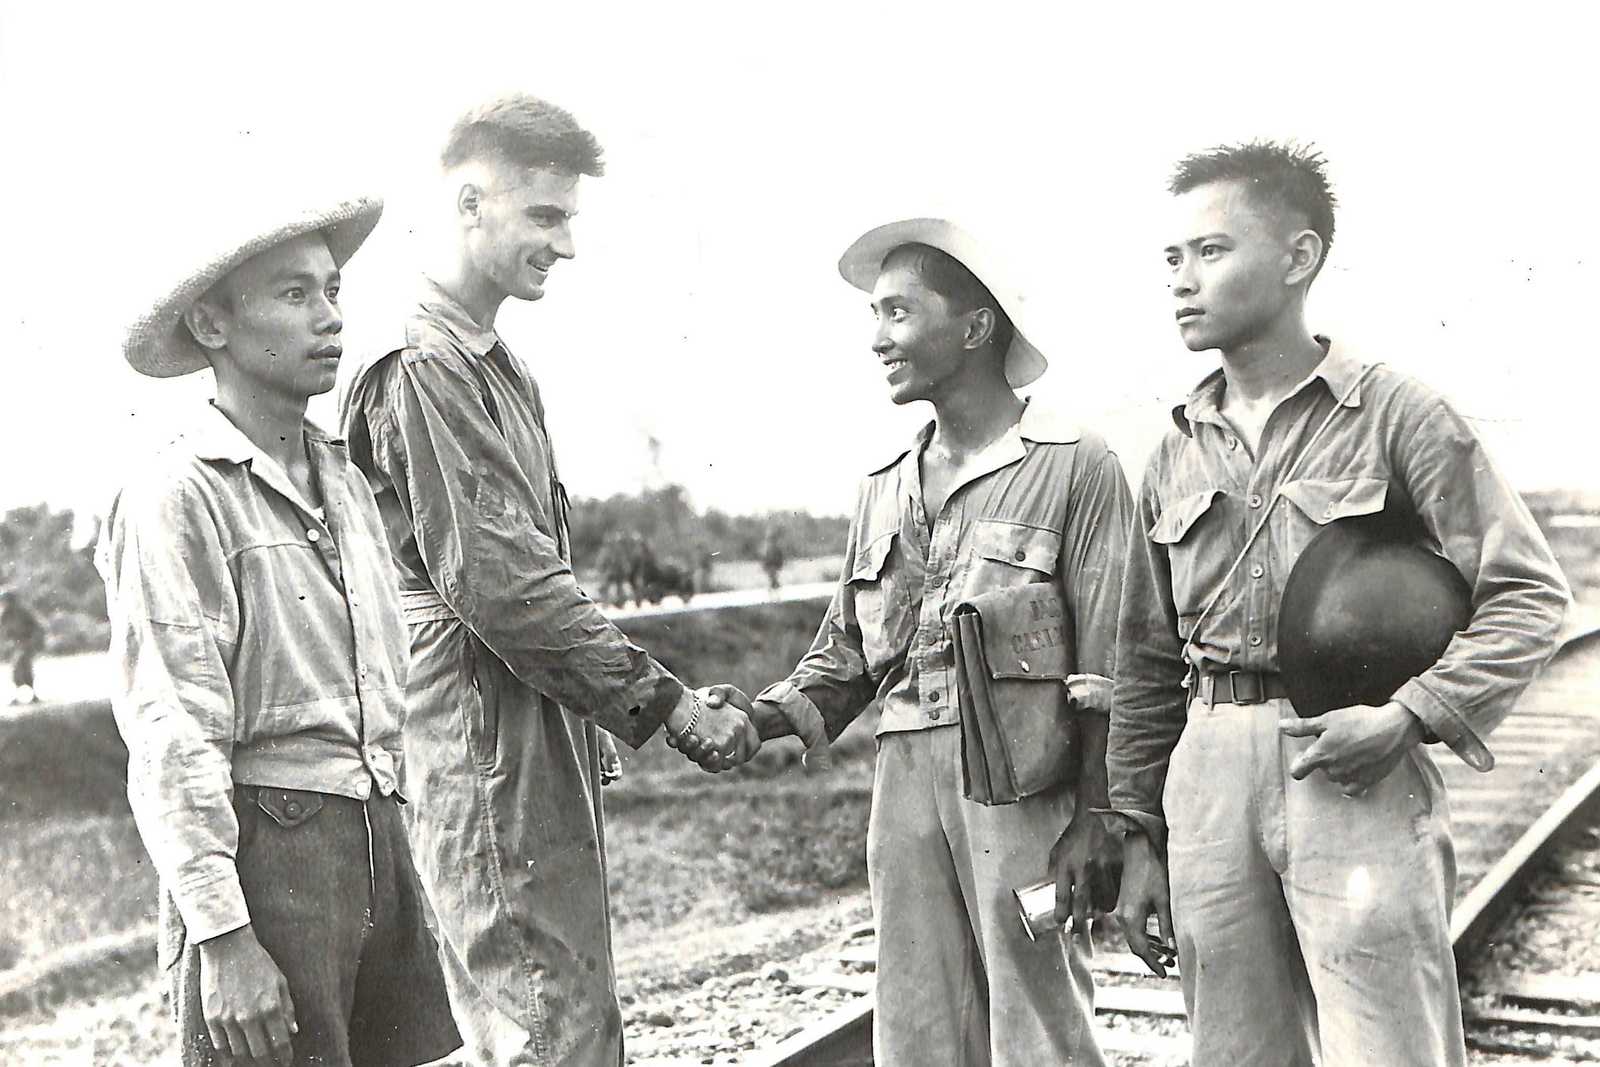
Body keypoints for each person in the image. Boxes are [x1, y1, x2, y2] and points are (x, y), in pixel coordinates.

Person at [1107, 141, 1572, 1067]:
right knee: (1234, 1052)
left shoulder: (1397, 415)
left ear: (1298, 257)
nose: (1182, 281)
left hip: (1355, 759)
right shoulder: (1172, 451)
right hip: (1208, 768)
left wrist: (1408, 715)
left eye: (1211, 251)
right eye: (1172, 259)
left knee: (1389, 1044)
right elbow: (1147, 662)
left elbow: (1527, 596)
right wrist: (1137, 832)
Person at [339, 94, 758, 1066]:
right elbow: (504, 583)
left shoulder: (495, 365)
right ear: (470, 201)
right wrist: (665, 704)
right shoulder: (423, 364)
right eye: (545, 216)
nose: (565, 245)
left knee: (564, 1009)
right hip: (482, 737)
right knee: (543, 1021)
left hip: (520, 732)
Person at [707, 219, 1131, 1066]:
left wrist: (1100, 815)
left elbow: (1114, 665)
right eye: (875, 314)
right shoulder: (883, 488)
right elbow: (849, 656)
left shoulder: (1075, 464)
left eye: (898, 313)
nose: (876, 338)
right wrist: (758, 718)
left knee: (1040, 1019)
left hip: (1025, 799)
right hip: (903, 793)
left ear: (975, 327)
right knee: (916, 1028)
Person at [97, 189, 460, 1067]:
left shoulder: (341, 475)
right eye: (295, 295)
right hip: (271, 855)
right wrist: (223, 938)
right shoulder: (179, 493)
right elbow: (171, 732)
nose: (330, 317)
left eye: (333, 291)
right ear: (212, 324)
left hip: (375, 834)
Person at [0, 589, 44, 704]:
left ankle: (32, 696)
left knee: (24, 668)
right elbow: (4, 632)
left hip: (27, 642)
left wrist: (33, 640)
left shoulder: (23, 612)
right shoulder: (5, 615)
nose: (3, 604)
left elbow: (38, 627)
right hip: (16, 645)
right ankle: (22, 696)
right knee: (17, 671)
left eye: (5, 601)